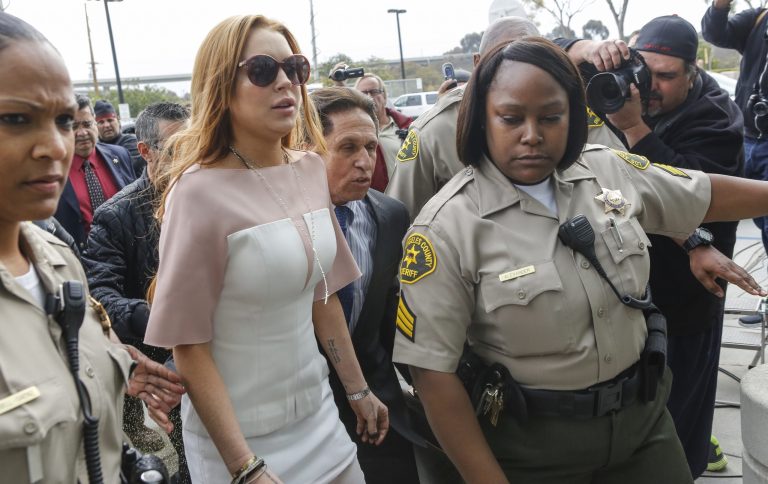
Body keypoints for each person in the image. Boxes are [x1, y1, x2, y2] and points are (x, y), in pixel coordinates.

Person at [392, 36, 768, 484]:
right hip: (533, 447)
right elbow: (433, 373)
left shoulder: (607, 169)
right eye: (511, 118)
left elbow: (702, 191)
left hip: (642, 424)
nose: (532, 135)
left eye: (551, 117)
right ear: (480, 120)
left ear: (573, 116)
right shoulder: (444, 230)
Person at [144, 15, 388, 484]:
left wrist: (358, 391)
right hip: (239, 441)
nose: (286, 82)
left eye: (295, 68)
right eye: (262, 69)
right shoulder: (197, 192)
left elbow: (324, 294)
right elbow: (189, 345)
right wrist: (245, 467)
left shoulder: (311, 169)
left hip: (320, 418)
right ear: (221, 86)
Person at [0, 11, 183, 482]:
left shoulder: (58, 261)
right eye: (16, 119)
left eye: (63, 119)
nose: (55, 146)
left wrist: (120, 369)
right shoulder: (114, 217)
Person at [560, 15, 745, 477]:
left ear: (694, 72)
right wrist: (584, 47)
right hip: (624, 290)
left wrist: (635, 127)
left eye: (667, 76)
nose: (653, 86)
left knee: (680, 423)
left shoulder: (716, 118)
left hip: (686, 292)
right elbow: (535, 50)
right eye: (647, 72)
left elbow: (689, 195)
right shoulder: (617, 87)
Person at [311, 86, 424, 484]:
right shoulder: (274, 224)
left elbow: (390, 313)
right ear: (308, 146)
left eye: (371, 147)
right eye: (347, 148)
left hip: (379, 408)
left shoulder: (390, 216)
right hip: (303, 408)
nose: (364, 162)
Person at [83, 101, 191, 479]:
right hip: (160, 363)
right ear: (145, 151)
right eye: (178, 149)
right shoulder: (117, 214)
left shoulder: (210, 198)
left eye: (197, 144)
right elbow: (100, 297)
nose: (190, 159)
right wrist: (162, 317)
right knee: (190, 452)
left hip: (224, 348)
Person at [386, 16, 540, 222]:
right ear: (478, 61)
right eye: (506, 56)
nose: (522, 68)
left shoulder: (561, 115)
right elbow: (400, 215)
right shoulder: (436, 129)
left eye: (535, 57)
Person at [702, 0, 768, 328]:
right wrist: (719, 6)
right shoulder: (758, 18)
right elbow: (716, 33)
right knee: (743, 216)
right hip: (750, 138)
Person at [53, 94, 135, 252]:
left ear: (94, 123)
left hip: (128, 254)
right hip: (82, 261)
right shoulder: (52, 169)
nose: (82, 132)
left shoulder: (120, 155)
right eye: (74, 126)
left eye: (87, 124)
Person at [354, 73, 412, 191]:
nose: (369, 97)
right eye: (363, 93)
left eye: (374, 91)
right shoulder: (353, 132)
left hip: (408, 196)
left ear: (384, 97)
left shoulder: (407, 127)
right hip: (375, 202)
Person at [94, 99, 142, 174]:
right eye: (101, 122)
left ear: (118, 121)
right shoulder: (95, 148)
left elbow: (125, 167)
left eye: (110, 120)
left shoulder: (131, 142)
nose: (106, 125)